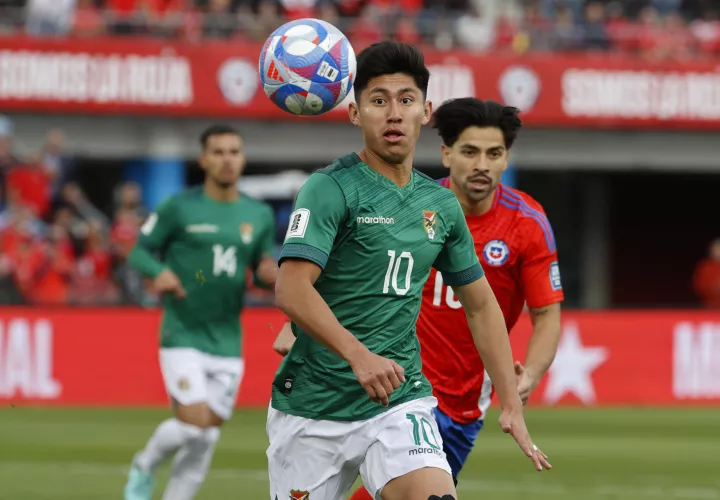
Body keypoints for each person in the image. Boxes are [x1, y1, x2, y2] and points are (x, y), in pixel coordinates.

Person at [268, 42, 550, 500]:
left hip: (401, 399)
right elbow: (292, 289)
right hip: (314, 404)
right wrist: (359, 357)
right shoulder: (328, 188)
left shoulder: (439, 205)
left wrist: (511, 403)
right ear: (356, 114)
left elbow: (481, 306)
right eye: (378, 101)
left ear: (426, 111)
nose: (394, 113)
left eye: (406, 100)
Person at [345, 99, 565, 499]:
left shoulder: (527, 224)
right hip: (397, 382)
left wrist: (529, 375)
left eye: (493, 153)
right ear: (446, 155)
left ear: (506, 160)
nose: (482, 164)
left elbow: (547, 314)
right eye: (470, 151)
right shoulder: (410, 206)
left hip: (463, 404)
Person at [123, 125, 287, 500]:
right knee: (195, 423)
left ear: (242, 158)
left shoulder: (257, 213)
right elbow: (140, 250)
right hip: (182, 332)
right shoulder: (179, 208)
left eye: (233, 151)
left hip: (227, 339)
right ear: (203, 159)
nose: (227, 159)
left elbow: (260, 270)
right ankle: (144, 464)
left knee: (205, 434)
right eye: (218, 152)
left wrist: (266, 275)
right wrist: (159, 271)